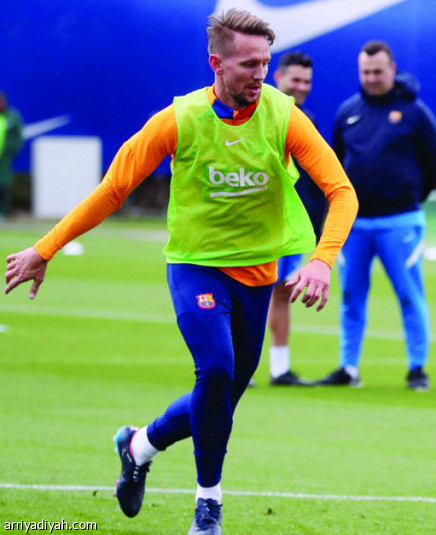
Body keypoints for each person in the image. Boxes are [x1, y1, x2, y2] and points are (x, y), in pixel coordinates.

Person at [4, 9, 357, 535]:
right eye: (248, 64)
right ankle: (208, 507)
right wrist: (45, 248)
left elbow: (342, 191)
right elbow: (114, 189)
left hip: (258, 276)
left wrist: (323, 260)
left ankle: (138, 445)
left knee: (219, 401)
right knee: (215, 370)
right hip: (197, 268)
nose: (260, 73)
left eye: (265, 62)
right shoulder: (179, 119)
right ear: (216, 63)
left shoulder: (283, 115)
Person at [319, 40, 436, 391]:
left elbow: (435, 164)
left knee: (409, 295)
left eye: (377, 71)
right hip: (353, 224)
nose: (371, 78)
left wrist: (409, 197)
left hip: (400, 221)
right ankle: (348, 368)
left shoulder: (414, 112)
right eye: (365, 72)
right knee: (350, 297)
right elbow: (337, 162)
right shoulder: (347, 111)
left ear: (392, 69)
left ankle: (417, 368)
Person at [264, 50, 328, 386]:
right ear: (278, 78)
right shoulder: (259, 115)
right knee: (244, 292)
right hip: (258, 224)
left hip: (291, 227)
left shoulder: (308, 121)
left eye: (307, 81)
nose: (301, 87)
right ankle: (234, 367)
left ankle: (279, 368)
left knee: (282, 291)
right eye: (296, 80)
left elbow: (315, 183)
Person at [0, 91, 25, 218]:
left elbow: (18, 136)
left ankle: (2, 212)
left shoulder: (12, 116)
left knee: (3, 184)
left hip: (4, 158)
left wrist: (11, 151)